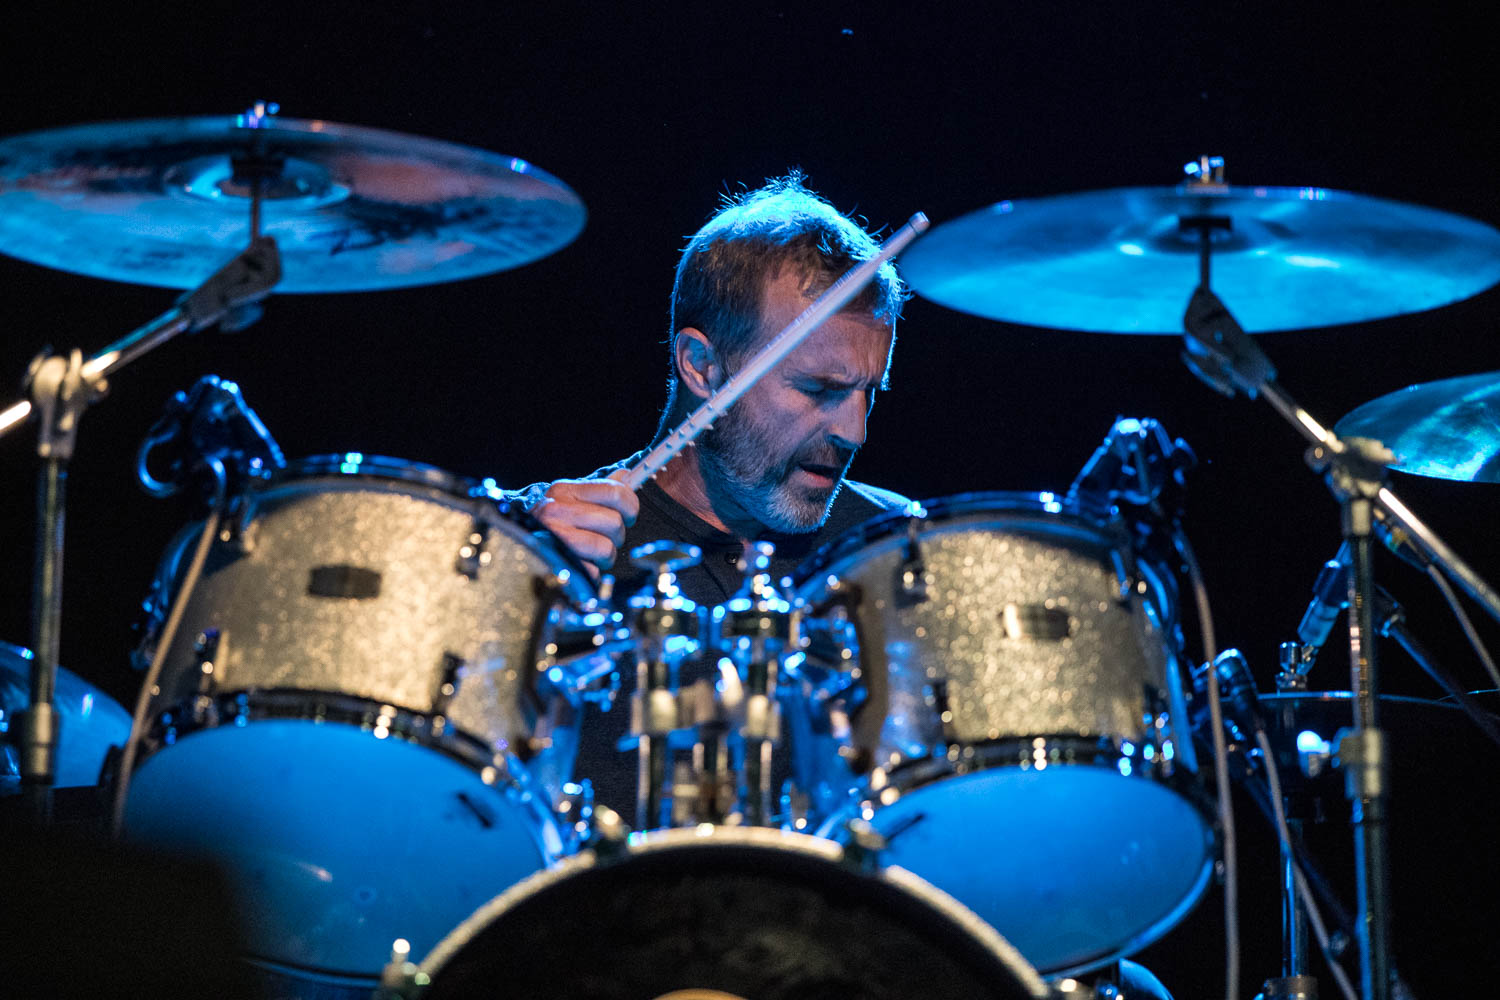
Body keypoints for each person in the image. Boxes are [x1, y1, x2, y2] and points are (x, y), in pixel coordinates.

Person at [516, 172, 911, 605]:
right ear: (701, 366)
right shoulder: (547, 540)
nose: (854, 433)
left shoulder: (898, 547)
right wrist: (517, 583)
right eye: (819, 389)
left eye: (869, 392)